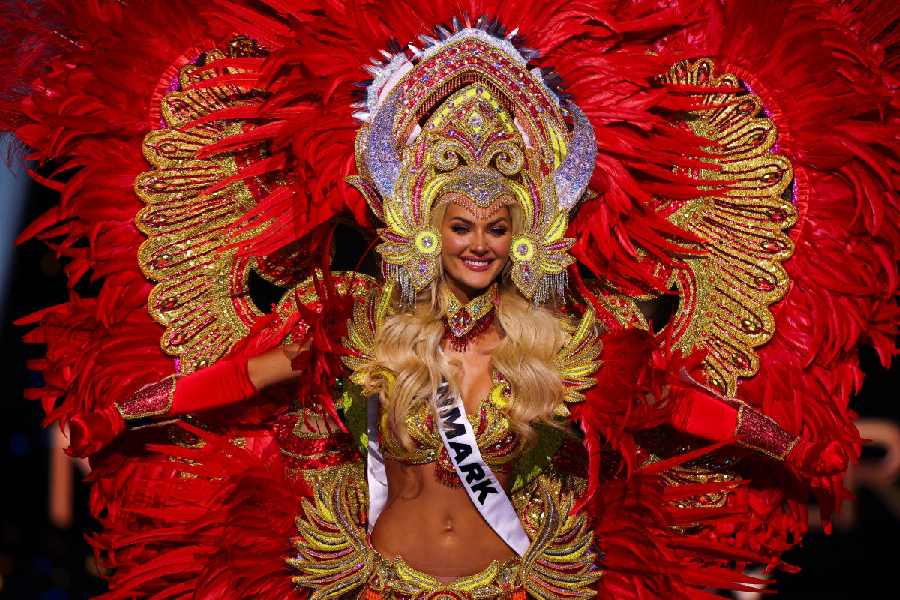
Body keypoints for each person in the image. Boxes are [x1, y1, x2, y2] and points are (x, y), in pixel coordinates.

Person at [3, 1, 896, 598]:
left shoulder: (574, 338)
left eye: (496, 226)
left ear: (528, 229)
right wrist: (125, 407)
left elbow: (681, 411)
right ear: (423, 218)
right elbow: (240, 377)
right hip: (353, 577)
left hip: (530, 581)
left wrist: (791, 442)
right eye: (461, 223)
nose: (478, 243)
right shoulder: (353, 319)